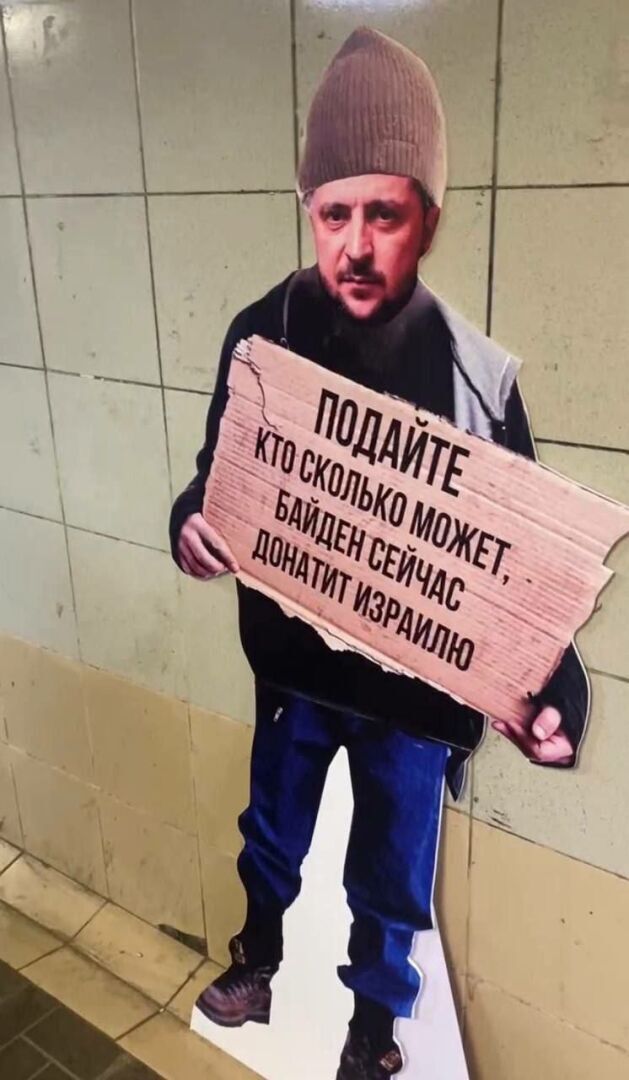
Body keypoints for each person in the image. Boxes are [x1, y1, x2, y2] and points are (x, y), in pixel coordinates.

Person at [169, 28, 589, 1080]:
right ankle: (256, 958)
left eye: (385, 214)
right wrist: (192, 525)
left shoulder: (476, 383)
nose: (355, 244)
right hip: (295, 667)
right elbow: (213, 478)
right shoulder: (262, 335)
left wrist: (552, 692)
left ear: (427, 218)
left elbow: (518, 567)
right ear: (307, 205)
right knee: (271, 828)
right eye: (333, 213)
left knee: (392, 871)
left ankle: (373, 1028)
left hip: (412, 695)